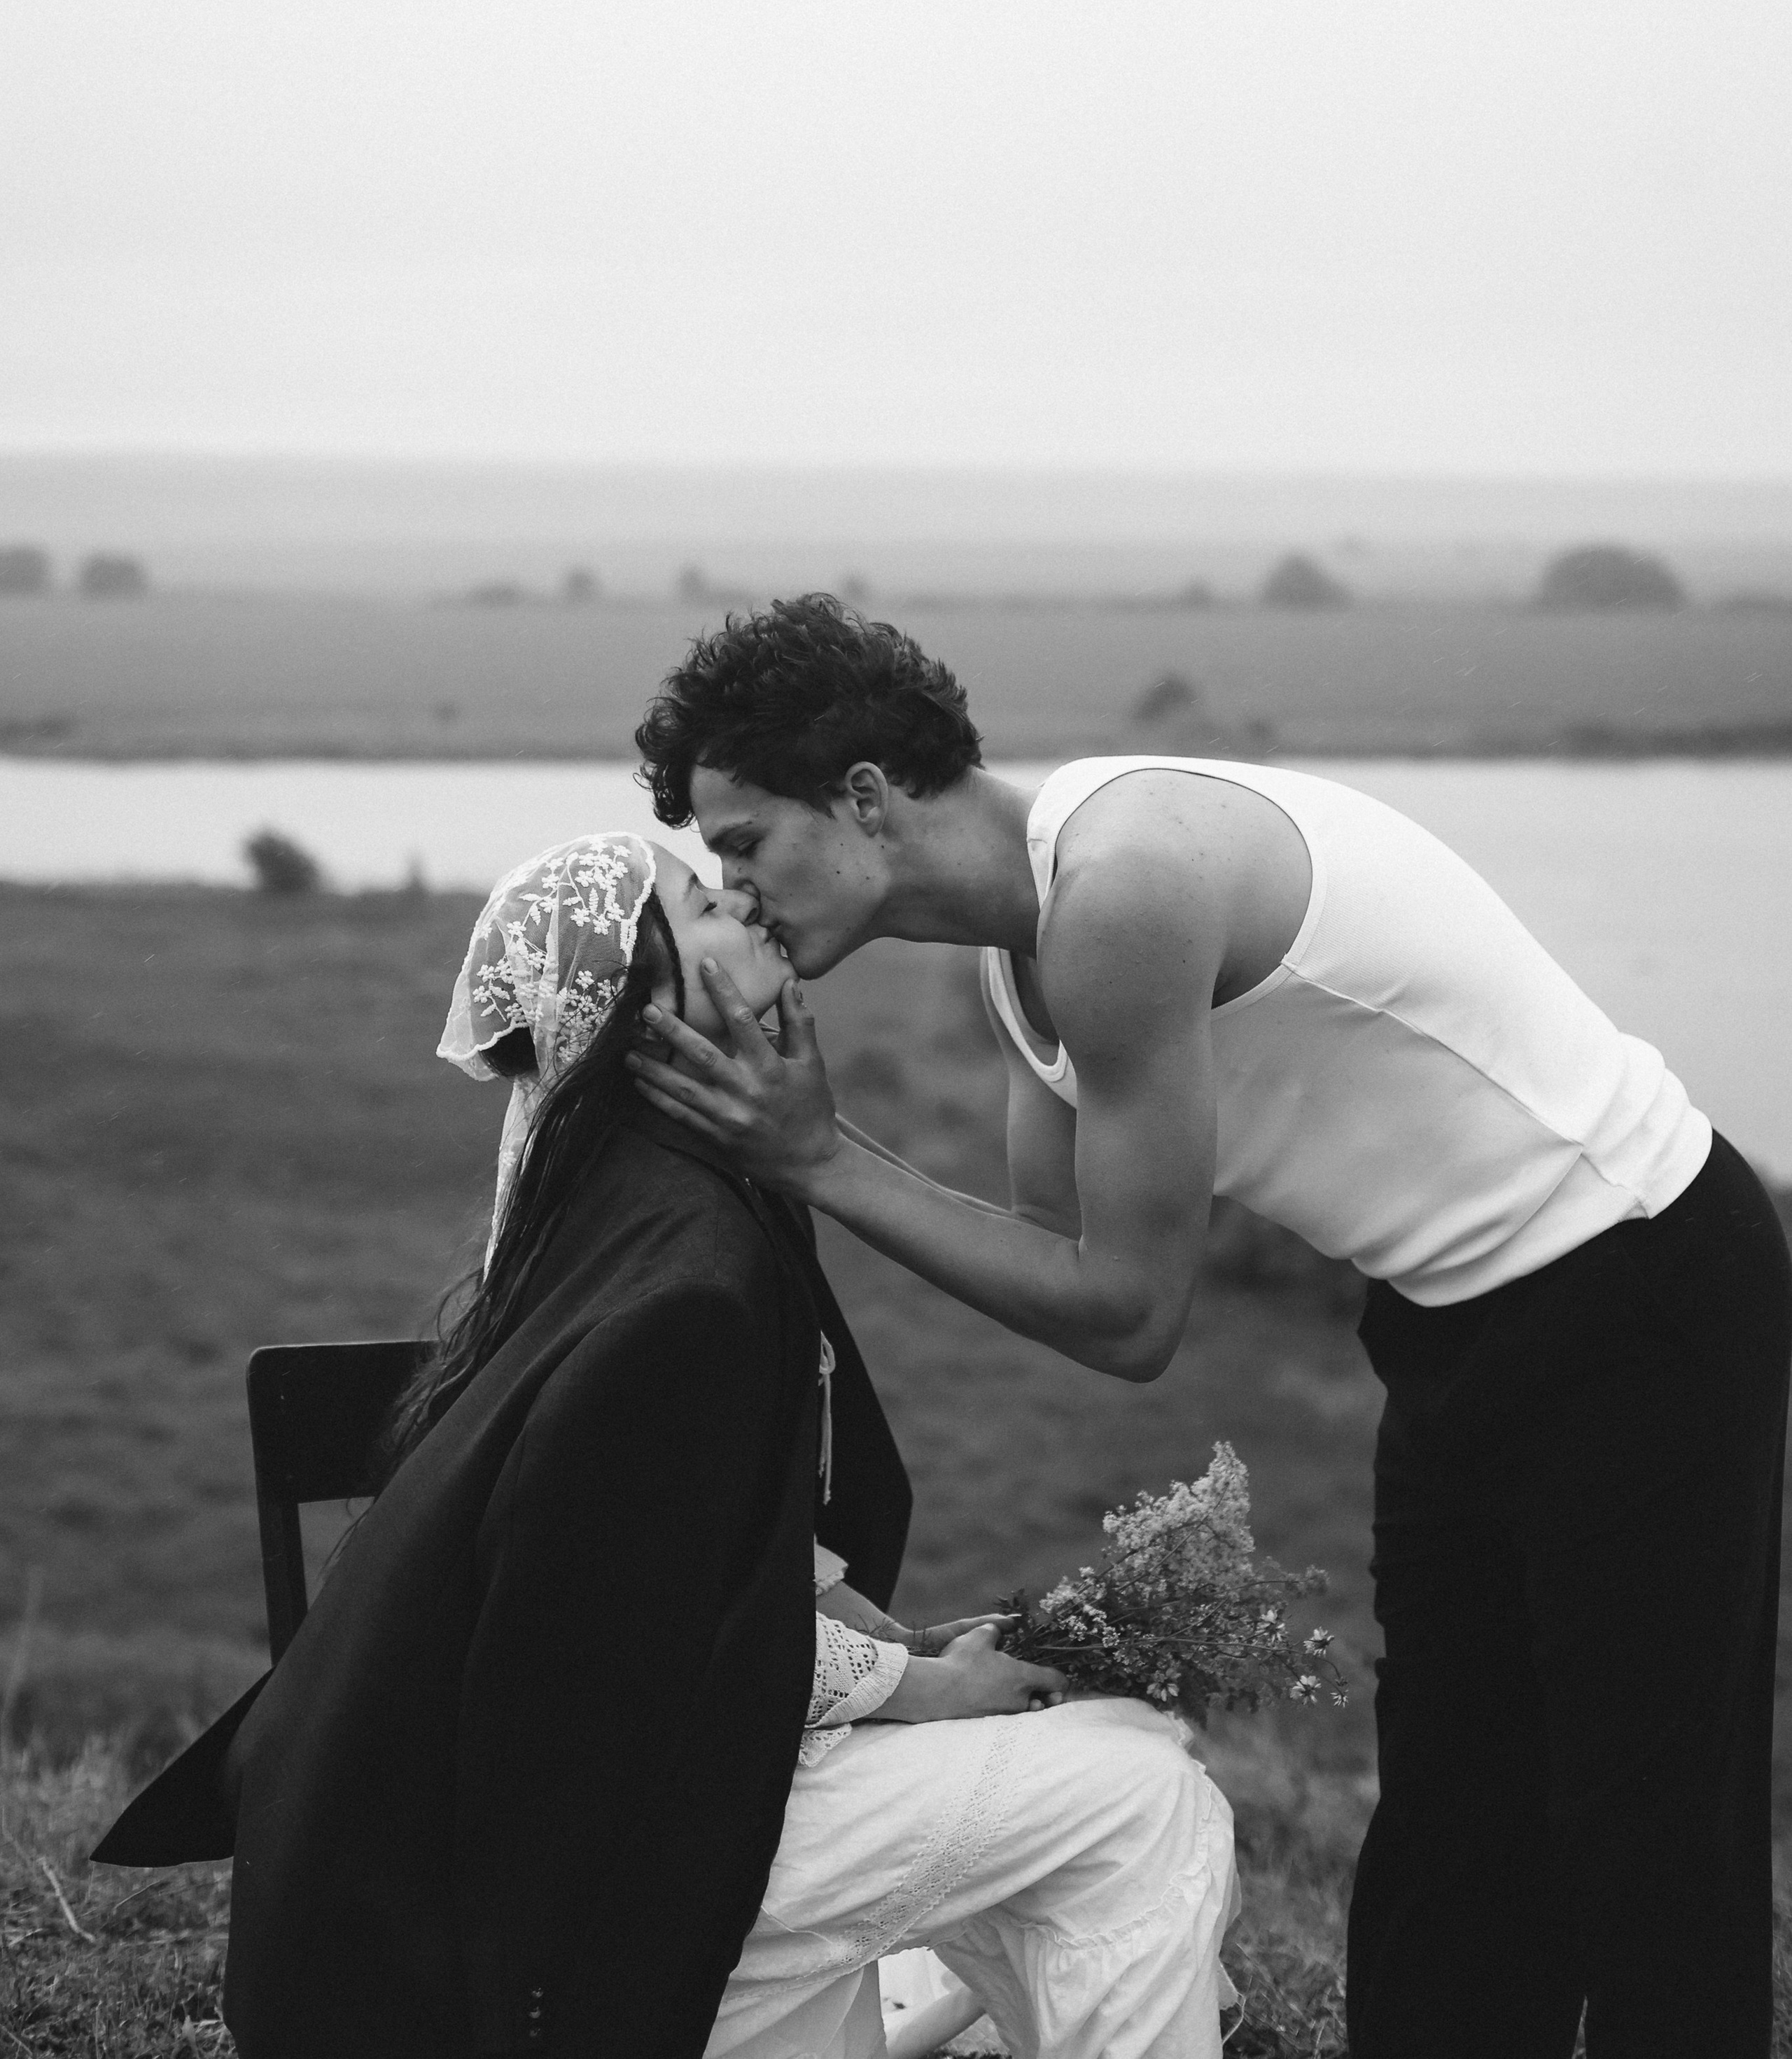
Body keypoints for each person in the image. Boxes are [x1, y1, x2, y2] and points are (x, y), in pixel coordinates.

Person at [627, 594, 1792, 2059]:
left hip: (1635, 1281)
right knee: (1453, 1813)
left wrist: (821, 1157)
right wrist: (810, 1150)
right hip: (1449, 1323)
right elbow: (1064, 1262)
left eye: (741, 846)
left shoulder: (1121, 890)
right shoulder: (1022, 953)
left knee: (1643, 1827)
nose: (732, 892)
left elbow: (1128, 1316)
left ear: (861, 797)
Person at [96, 831, 1241, 2059]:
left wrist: (898, 1646)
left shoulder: (627, 1205)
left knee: (1106, 1749)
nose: (743, 896)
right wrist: (931, 1688)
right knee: (1147, 1795)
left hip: (562, 1809)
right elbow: (631, 1647)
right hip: (555, 1892)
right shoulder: (684, 1291)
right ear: (645, 1009)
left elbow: (706, 1542)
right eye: (702, 899)